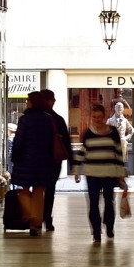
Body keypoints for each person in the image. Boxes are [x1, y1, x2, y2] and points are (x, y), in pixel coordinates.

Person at [72, 103, 128, 243]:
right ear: (92, 117)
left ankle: (109, 227)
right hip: (92, 174)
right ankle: (96, 231)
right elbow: (82, 151)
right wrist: (77, 170)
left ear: (104, 117)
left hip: (109, 173)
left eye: (99, 117)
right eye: (94, 117)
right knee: (93, 203)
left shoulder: (113, 132)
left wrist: (121, 173)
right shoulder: (88, 133)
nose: (97, 119)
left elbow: (118, 153)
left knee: (109, 202)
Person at [9, 90, 60, 236]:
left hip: (25, 161)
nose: (26, 103)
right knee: (39, 191)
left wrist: (15, 157)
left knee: (24, 190)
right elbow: (52, 140)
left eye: (28, 100)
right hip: (44, 161)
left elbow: (18, 141)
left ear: (33, 102)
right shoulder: (48, 119)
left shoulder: (25, 120)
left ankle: (29, 214)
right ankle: (35, 222)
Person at [39, 89, 73, 231]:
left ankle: (35, 218)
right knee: (50, 190)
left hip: (37, 160)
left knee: (37, 189)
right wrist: (73, 163)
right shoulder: (57, 119)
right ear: (51, 101)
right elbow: (66, 143)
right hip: (54, 160)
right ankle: (47, 218)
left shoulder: (33, 118)